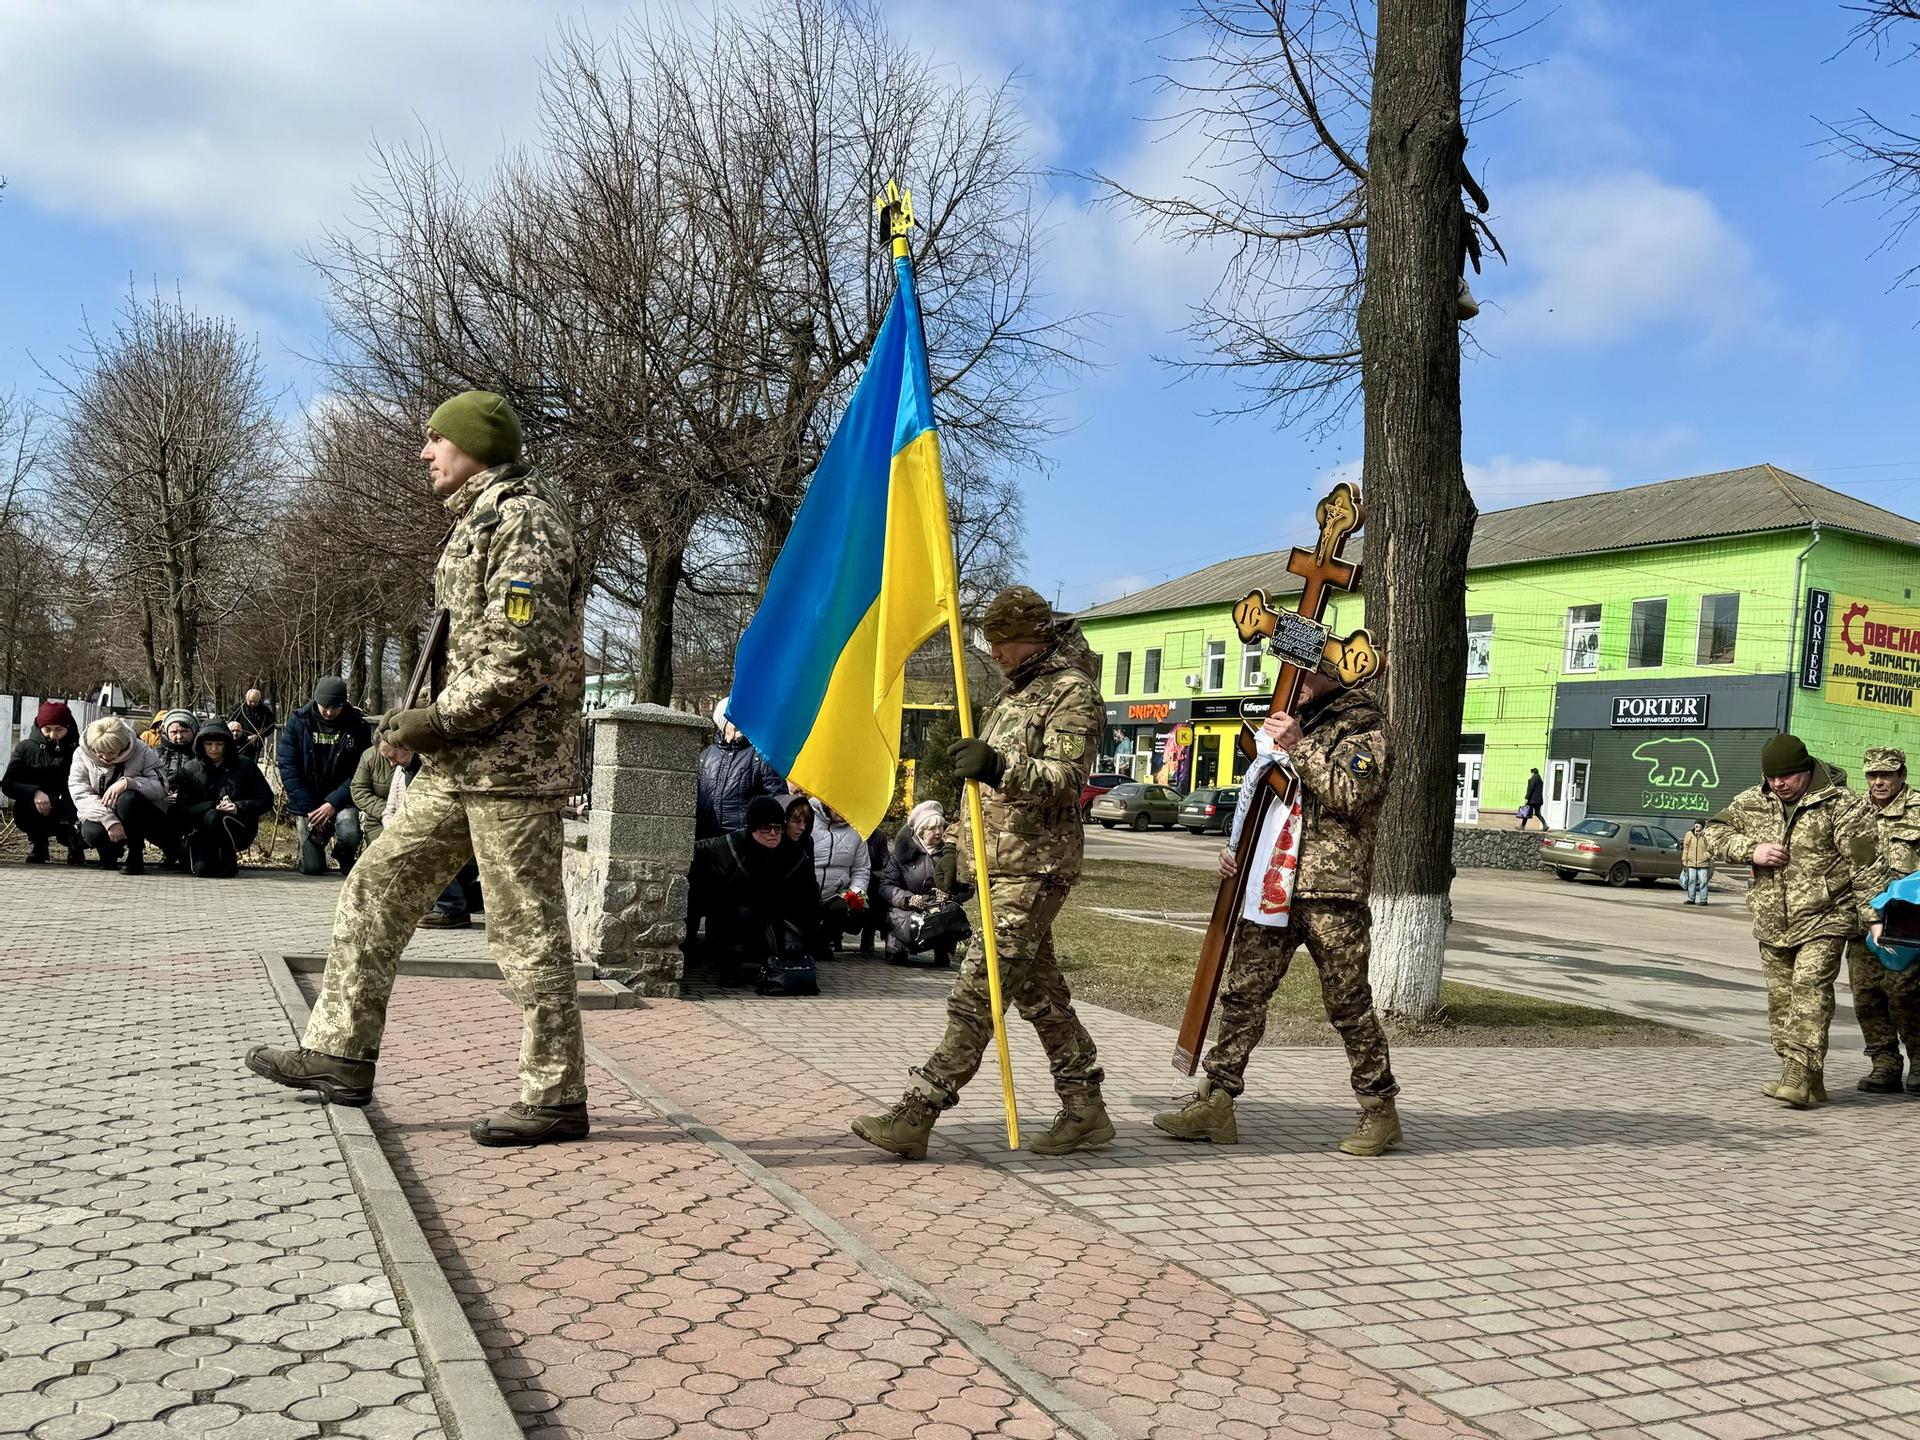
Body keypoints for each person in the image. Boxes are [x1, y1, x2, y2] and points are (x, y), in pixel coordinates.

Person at [247, 390, 591, 1146]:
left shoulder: (523, 521)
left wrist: (430, 721)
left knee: (525, 932)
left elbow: (518, 657)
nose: (424, 451)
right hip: (459, 766)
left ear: (476, 444)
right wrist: (427, 728)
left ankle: (556, 1095)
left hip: (510, 771)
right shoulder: (476, 523)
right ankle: (339, 1054)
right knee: (376, 884)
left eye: (436, 438)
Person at [852, 586, 1109, 1160]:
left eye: (1003, 642)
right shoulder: (1016, 692)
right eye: (990, 641)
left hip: (1035, 867)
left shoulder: (1071, 694)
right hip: (999, 868)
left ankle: (917, 1113)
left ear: (1033, 637)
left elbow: (1066, 780)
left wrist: (997, 764)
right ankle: (1086, 1109)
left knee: (977, 991)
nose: (995, 653)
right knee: (1043, 998)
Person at [1154, 656, 1402, 1157]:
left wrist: (1298, 745)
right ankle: (1216, 1100)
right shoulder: (1291, 721)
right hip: (1272, 882)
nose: (1295, 682)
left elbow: (1351, 794)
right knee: (1244, 992)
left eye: (1305, 672)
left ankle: (1379, 1110)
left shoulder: (1364, 725)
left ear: (1333, 673)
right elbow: (1266, 798)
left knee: (1347, 1002)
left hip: (1329, 888)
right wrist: (1240, 853)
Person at [1703, 733, 1880, 1109]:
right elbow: (1714, 832)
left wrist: (1876, 920)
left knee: (1809, 987)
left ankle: (1798, 1072)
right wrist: (1752, 850)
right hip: (1772, 920)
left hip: (1827, 916)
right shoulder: (1754, 800)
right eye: (1772, 777)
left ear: (1806, 770)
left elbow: (1867, 868)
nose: (1778, 784)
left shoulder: (1842, 805)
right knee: (1781, 1001)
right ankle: (1806, 1076)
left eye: (1786, 776)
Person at [685, 793, 822, 985]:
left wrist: (799, 932)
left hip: (776, 920)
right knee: (736, 915)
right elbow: (698, 850)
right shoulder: (732, 845)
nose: (773, 834)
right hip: (734, 918)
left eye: (778, 828)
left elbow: (809, 897)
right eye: (766, 829)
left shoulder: (794, 855)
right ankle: (729, 967)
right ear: (753, 828)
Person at [1852, 747, 1920, 1094]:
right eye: (1872, 775)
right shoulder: (1854, 812)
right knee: (1866, 997)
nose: (1878, 781)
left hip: (1906, 928)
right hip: (1862, 923)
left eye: (1886, 775)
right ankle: (1885, 1065)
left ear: (1902, 776)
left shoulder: (1918, 811)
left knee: (1904, 994)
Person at [276, 676, 373, 876]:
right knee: (312, 868)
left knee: (349, 832)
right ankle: (308, 855)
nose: (329, 713)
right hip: (308, 800)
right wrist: (311, 808)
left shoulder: (357, 726)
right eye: (324, 707)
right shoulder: (299, 722)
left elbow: (360, 771)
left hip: (341, 799)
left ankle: (345, 854)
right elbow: (288, 767)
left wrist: (332, 803)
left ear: (343, 704)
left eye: (335, 707)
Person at [68, 716, 170, 874]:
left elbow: (161, 786)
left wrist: (129, 783)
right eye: (99, 752)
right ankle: (109, 852)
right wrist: (108, 820)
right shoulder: (81, 754)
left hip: (140, 812)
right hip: (101, 810)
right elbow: (80, 792)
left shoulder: (142, 751)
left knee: (128, 799)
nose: (106, 758)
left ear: (123, 746)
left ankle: (135, 853)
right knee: (92, 833)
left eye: (112, 752)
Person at [173, 722, 273, 876]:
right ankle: (200, 854)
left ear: (227, 744)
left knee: (215, 818)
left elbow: (266, 799)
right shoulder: (189, 769)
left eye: (219, 744)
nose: (214, 749)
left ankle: (227, 857)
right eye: (209, 744)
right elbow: (182, 808)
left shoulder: (245, 765)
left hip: (237, 826)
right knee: (203, 871)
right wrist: (211, 805)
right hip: (201, 830)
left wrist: (238, 807)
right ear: (201, 744)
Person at [877, 801, 970, 966]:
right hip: (908, 906)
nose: (938, 832)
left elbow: (968, 885)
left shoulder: (951, 853)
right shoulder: (901, 853)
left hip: (938, 906)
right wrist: (908, 899)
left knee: (949, 915)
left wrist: (950, 894)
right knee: (901, 939)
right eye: (932, 829)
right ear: (920, 830)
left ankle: (942, 950)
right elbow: (887, 885)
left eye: (941, 827)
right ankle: (897, 946)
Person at [3, 700, 84, 865]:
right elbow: (8, 783)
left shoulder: (79, 751)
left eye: (59, 730)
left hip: (71, 804)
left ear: (68, 728)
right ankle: (38, 844)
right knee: (25, 810)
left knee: (75, 814)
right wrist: (34, 791)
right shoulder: (25, 748)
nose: (53, 735)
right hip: (38, 806)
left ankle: (75, 845)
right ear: (39, 727)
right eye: (47, 730)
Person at [696, 695, 786, 840]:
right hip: (707, 842)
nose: (740, 723)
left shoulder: (761, 755)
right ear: (723, 722)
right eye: (734, 718)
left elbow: (777, 799)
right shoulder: (705, 757)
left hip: (744, 843)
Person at [810, 796, 874, 953]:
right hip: (807, 889)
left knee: (842, 908)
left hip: (836, 893)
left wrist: (856, 892)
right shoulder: (807, 820)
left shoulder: (857, 833)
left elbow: (861, 868)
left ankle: (825, 941)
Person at [152, 708, 200, 869]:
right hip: (161, 801)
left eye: (184, 731)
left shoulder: (201, 754)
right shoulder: (154, 754)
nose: (179, 736)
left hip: (191, 804)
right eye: (174, 732)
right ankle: (170, 850)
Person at [230, 688, 276, 763]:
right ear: (246, 698)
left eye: (255, 702)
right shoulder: (238, 708)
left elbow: (270, 725)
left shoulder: (265, 711)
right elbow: (231, 724)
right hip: (238, 742)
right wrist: (245, 737)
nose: (253, 704)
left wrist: (258, 735)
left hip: (255, 743)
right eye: (250, 701)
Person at [1680, 819, 1713, 905]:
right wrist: (1684, 859)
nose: (1696, 826)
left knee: (1703, 882)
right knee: (1691, 881)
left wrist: (1707, 856)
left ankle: (1703, 900)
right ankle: (1691, 899)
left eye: (1698, 824)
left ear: (1702, 826)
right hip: (1691, 863)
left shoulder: (1707, 835)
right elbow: (1686, 847)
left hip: (1703, 863)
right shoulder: (1689, 834)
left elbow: (1711, 847)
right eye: (1696, 824)